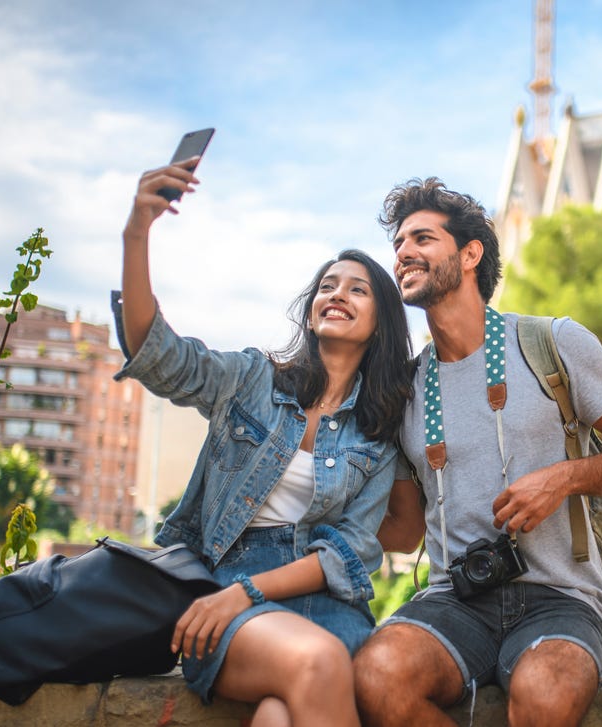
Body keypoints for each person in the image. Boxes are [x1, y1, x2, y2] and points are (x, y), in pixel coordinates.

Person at [358, 178, 602, 726]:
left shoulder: (553, 343)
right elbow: (404, 532)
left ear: (470, 253)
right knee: (378, 672)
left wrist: (564, 479)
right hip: (455, 600)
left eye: (423, 238)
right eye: (399, 243)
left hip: (564, 598)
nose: (403, 252)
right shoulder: (406, 389)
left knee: (545, 693)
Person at [115, 157, 412, 727]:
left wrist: (251, 591)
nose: (337, 293)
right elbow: (160, 356)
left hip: (322, 601)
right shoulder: (253, 380)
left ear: (382, 322)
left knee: (278, 717)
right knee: (319, 664)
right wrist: (137, 231)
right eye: (327, 285)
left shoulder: (378, 432)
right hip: (221, 591)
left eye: (357, 289)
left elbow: (347, 554)